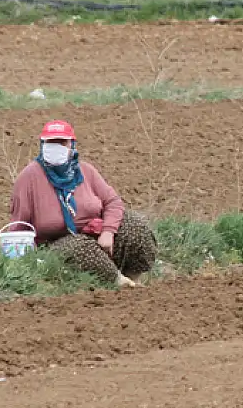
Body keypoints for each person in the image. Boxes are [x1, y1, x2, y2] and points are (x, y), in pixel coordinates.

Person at [9, 119, 157, 288]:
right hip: (57, 245)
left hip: (95, 234)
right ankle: (119, 282)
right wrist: (29, 262)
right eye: (51, 142)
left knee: (134, 224)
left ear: (71, 145)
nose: (56, 146)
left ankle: (134, 278)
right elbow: (19, 227)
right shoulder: (28, 178)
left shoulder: (85, 171)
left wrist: (108, 232)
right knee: (78, 246)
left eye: (61, 142)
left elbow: (113, 202)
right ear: (42, 145)